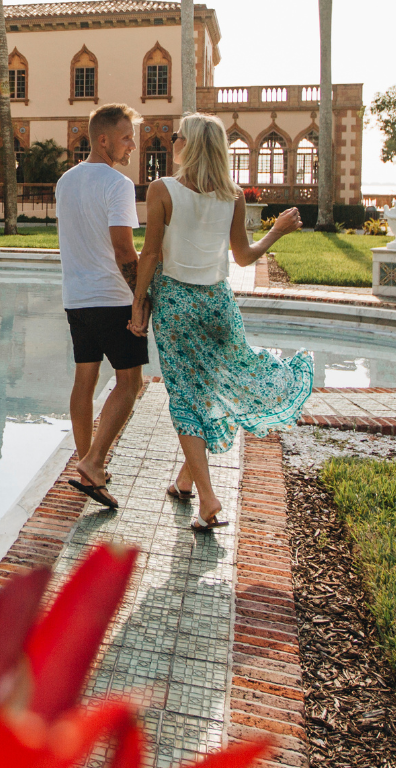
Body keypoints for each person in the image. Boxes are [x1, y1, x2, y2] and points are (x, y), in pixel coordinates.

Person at [128, 114, 316, 530]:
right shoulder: (232, 195)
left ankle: (209, 499)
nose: (173, 140)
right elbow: (245, 256)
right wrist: (277, 232)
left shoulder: (163, 189)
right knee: (208, 390)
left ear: (189, 144)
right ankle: (185, 481)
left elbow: (151, 254)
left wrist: (139, 303)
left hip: (177, 302)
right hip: (218, 304)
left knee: (184, 397)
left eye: (177, 135)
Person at [54, 103, 146, 510]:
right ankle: (94, 464)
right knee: (130, 384)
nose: (132, 144)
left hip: (76, 298)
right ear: (104, 139)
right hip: (112, 298)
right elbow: (124, 248)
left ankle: (88, 462)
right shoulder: (117, 184)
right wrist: (140, 297)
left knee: (85, 380)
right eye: (126, 136)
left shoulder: (65, 182)